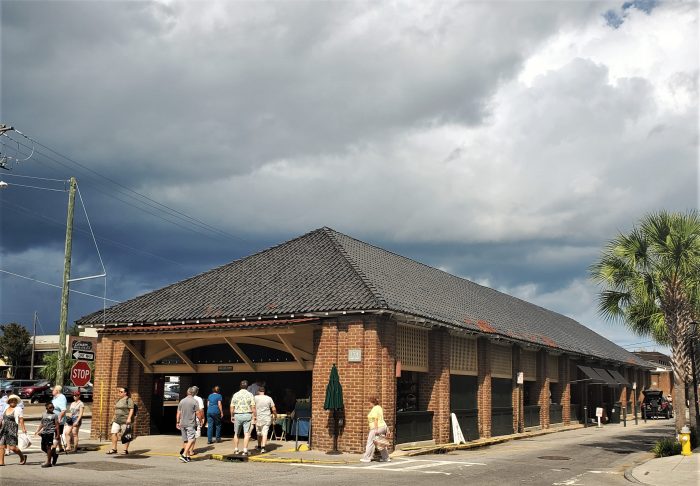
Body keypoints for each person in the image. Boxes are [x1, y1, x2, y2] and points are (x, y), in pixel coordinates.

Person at [176, 387, 202, 463]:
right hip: (190, 423)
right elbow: (198, 413)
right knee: (192, 439)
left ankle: (187, 456)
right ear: (194, 393)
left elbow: (178, 413)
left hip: (182, 423)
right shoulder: (194, 401)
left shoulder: (182, 401)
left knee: (185, 440)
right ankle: (184, 454)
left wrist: (177, 422)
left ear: (187, 392)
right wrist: (200, 421)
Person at [360, 396, 389, 463]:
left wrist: (375, 429)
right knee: (381, 443)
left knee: (370, 443)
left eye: (369, 402)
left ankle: (367, 458)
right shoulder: (379, 407)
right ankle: (386, 458)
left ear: (372, 402)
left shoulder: (375, 409)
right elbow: (382, 418)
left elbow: (376, 419)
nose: (369, 404)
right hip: (382, 427)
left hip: (376, 428)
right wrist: (387, 428)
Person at [230, 380, 255, 455]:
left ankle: (236, 449)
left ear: (240, 386)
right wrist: (254, 416)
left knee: (236, 433)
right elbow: (253, 407)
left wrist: (232, 416)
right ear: (247, 387)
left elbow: (232, 406)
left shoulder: (235, 394)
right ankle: (245, 450)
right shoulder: (250, 394)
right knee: (246, 433)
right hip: (247, 415)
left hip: (237, 415)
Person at [0, 395, 27, 466]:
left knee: (12, 447)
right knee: (1, 445)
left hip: (12, 428)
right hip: (4, 428)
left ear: (16, 401)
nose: (13, 401)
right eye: (11, 400)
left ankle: (22, 456)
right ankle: (1, 462)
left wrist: (23, 428)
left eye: (14, 400)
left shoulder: (18, 409)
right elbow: (2, 418)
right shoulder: (6, 407)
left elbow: (21, 419)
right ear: (9, 401)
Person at [106, 387, 134, 455]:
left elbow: (131, 409)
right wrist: (113, 418)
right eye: (119, 391)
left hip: (125, 420)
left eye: (121, 392)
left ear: (125, 393)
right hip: (116, 420)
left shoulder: (129, 400)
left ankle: (125, 450)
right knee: (113, 433)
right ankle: (114, 449)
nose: (119, 393)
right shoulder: (118, 400)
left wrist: (129, 418)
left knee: (126, 435)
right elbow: (116, 410)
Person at [34, 402, 60, 467]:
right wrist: (37, 431)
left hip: (50, 433)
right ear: (46, 408)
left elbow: (57, 426)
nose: (52, 409)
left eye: (53, 407)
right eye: (50, 407)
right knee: (43, 448)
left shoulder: (55, 415)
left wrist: (58, 434)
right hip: (44, 433)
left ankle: (48, 462)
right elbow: (42, 424)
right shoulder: (43, 414)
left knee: (48, 447)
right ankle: (54, 455)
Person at [253, 386, 276, 453]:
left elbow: (253, 408)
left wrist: (254, 416)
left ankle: (259, 446)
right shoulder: (269, 398)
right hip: (266, 418)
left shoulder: (255, 398)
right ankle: (263, 447)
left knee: (259, 433)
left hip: (258, 418)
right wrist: (275, 415)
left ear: (258, 391)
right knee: (265, 432)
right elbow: (273, 409)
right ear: (264, 391)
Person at [51, 385, 68, 452]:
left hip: (58, 419)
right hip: (53, 418)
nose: (52, 391)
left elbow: (63, 410)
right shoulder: (55, 398)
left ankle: (54, 448)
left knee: (57, 433)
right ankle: (60, 447)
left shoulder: (61, 397)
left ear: (57, 391)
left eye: (53, 390)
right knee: (56, 433)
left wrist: (59, 418)